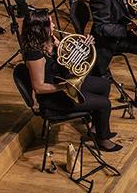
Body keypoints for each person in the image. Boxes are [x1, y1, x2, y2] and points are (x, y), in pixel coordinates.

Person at [19, 9, 116, 151]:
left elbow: (66, 56)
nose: (53, 25)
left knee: (104, 85)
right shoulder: (35, 55)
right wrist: (65, 87)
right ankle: (102, 139)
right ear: (41, 29)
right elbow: (38, 87)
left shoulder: (50, 39)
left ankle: (96, 129)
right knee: (104, 104)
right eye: (50, 23)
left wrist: (84, 46)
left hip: (64, 82)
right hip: (54, 97)